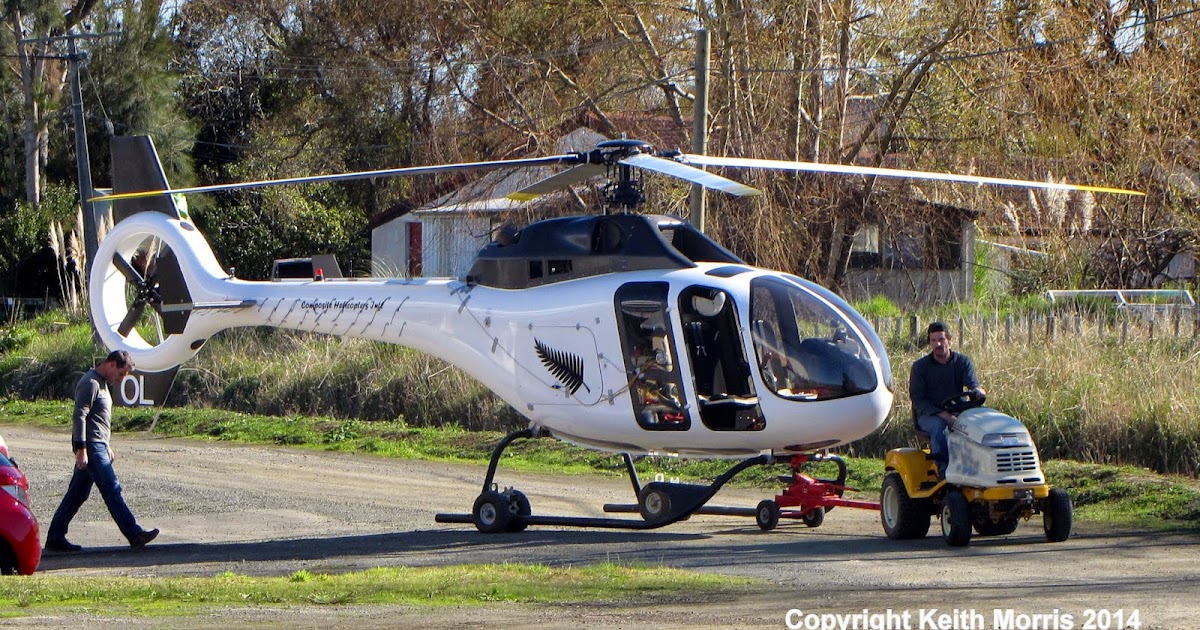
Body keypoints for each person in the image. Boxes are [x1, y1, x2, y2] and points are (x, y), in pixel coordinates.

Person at [45, 350, 159, 552]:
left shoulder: (102, 384)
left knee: (77, 494)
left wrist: (107, 445)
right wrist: (81, 448)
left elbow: (98, 421)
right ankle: (134, 533)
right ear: (112, 364)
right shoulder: (90, 382)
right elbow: (80, 416)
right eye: (122, 373)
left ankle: (55, 536)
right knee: (112, 489)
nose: (121, 379)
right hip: (91, 447)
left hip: (98, 446)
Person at [909, 321, 985, 478]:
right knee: (940, 428)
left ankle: (980, 466)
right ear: (930, 343)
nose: (938, 344)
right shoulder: (920, 367)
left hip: (956, 409)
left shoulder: (962, 362)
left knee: (981, 422)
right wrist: (943, 415)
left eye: (941, 339)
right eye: (933, 340)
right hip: (929, 415)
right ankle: (944, 470)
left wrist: (977, 391)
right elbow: (918, 400)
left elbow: (972, 384)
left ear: (949, 340)